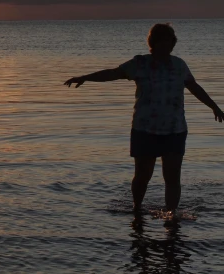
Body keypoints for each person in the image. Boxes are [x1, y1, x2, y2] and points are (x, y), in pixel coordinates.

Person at [64, 23, 223, 214]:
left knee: (172, 178)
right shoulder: (140, 64)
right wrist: (85, 77)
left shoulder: (179, 65)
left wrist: (214, 107)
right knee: (142, 176)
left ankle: (171, 217)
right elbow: (113, 73)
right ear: (153, 43)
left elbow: (194, 87)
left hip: (175, 129)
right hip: (144, 129)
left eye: (170, 41)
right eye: (162, 41)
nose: (167, 45)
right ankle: (137, 209)